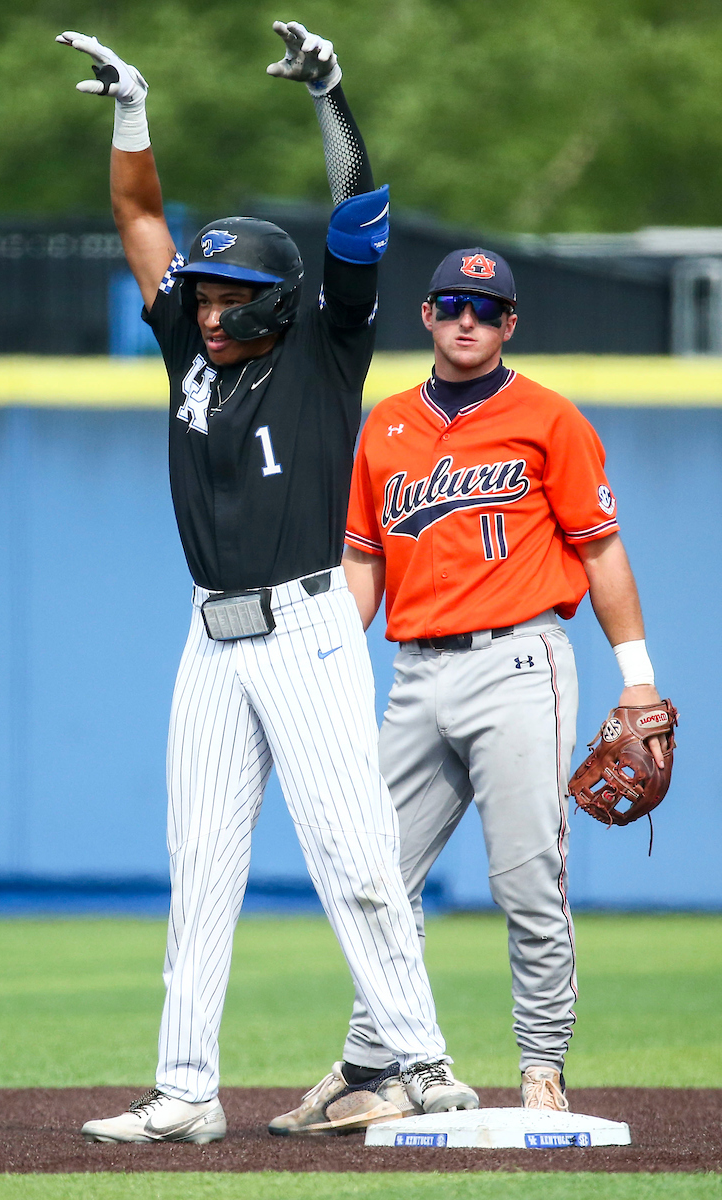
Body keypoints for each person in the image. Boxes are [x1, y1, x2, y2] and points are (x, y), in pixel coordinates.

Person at [57, 22, 478, 1145]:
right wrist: (132, 113)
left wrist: (330, 97)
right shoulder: (189, 352)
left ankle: (422, 1062)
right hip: (210, 636)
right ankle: (186, 1091)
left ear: (275, 299)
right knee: (199, 864)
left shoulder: (326, 352)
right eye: (201, 292)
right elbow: (140, 220)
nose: (205, 307)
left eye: (226, 293)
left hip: (305, 628)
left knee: (354, 855)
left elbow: (359, 215)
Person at [333, 247, 667, 1112]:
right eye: (451, 303)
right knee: (374, 878)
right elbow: (363, 563)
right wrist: (321, 662)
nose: (466, 319)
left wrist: (637, 679)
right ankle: (375, 1068)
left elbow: (601, 551)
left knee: (526, 878)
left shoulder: (549, 419)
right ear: (426, 315)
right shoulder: (386, 425)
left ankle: (541, 1067)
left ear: (509, 323)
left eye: (485, 308)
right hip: (415, 672)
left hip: (519, 662)